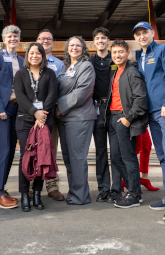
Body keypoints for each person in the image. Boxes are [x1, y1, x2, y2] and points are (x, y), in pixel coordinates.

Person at [133, 21, 165, 222]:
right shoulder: (140, 56)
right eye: (138, 34)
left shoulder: (164, 50)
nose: (142, 36)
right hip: (151, 113)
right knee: (162, 155)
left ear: (152, 33)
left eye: (145, 32)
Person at [14, 42, 58, 211]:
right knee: (25, 156)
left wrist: (42, 115)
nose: (34, 56)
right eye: (31, 53)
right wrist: (35, 112)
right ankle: (25, 194)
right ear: (27, 56)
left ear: (43, 56)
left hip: (44, 121)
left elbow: (52, 95)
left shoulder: (50, 73)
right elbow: (21, 96)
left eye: (38, 53)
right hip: (25, 120)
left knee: (42, 156)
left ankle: (38, 194)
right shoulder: (20, 74)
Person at [105, 40, 149, 210]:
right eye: (114, 52)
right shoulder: (116, 71)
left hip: (124, 119)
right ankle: (132, 189)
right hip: (113, 118)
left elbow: (141, 99)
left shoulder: (132, 72)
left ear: (128, 52)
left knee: (128, 157)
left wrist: (128, 118)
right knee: (116, 157)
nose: (117, 55)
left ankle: (135, 194)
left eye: (121, 52)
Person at [56, 36, 96, 205]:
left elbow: (81, 92)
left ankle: (80, 196)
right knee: (68, 158)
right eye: (71, 45)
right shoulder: (67, 68)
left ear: (83, 48)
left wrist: (59, 106)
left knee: (77, 158)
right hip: (65, 118)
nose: (74, 48)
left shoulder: (86, 66)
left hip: (79, 118)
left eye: (78, 45)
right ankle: (74, 192)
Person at [0, 25, 24, 209]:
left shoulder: (22, 60)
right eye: (9, 36)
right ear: (4, 39)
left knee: (10, 150)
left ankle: (1, 188)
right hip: (3, 109)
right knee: (3, 149)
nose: (13, 39)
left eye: (16, 36)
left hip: (18, 109)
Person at [89, 27, 121, 203]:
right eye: (97, 38)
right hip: (97, 109)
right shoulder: (90, 61)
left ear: (108, 41)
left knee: (116, 152)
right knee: (100, 152)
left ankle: (116, 189)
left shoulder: (115, 59)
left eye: (104, 38)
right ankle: (103, 189)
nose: (100, 40)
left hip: (114, 109)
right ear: (93, 42)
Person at [35, 29, 66, 201]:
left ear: (53, 43)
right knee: (33, 150)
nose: (45, 41)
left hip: (51, 114)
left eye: (49, 39)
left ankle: (52, 186)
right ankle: (32, 186)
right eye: (42, 39)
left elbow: (62, 88)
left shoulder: (59, 65)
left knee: (51, 151)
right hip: (32, 114)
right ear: (37, 41)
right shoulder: (30, 61)